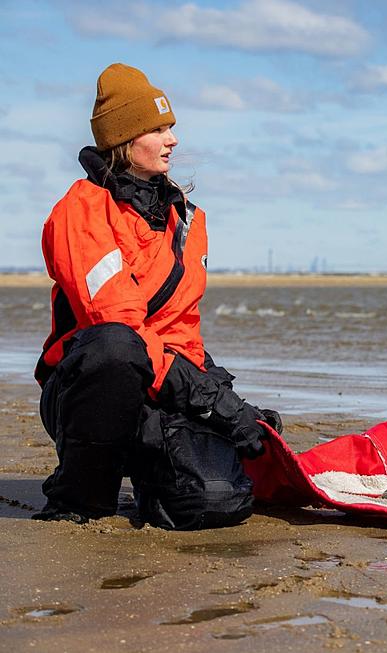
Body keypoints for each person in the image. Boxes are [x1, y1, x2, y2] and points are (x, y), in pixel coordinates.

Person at [33, 63, 280, 529]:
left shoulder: (189, 218)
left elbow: (183, 326)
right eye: (158, 128)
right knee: (115, 348)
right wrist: (209, 399)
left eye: (171, 127)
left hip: (171, 385)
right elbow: (118, 323)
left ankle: (156, 473)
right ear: (124, 139)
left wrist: (227, 405)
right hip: (92, 387)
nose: (173, 139)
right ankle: (80, 497)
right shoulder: (80, 210)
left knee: (215, 502)